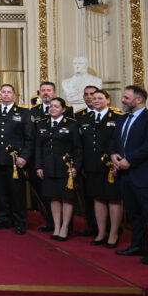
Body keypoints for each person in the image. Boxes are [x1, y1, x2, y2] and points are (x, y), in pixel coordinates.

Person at [110, 85, 148, 265]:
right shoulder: (122, 119)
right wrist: (113, 154)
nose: (122, 100)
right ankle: (138, 246)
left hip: (147, 174)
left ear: (139, 99)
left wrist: (130, 160)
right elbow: (114, 141)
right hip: (125, 174)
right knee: (134, 212)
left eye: (126, 98)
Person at [0, 84, 33, 235]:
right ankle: (1, 219)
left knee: (17, 193)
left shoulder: (23, 113)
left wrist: (24, 157)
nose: (5, 94)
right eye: (3, 92)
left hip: (15, 161)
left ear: (14, 96)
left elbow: (29, 138)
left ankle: (19, 222)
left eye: (8, 92)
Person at [80, 89, 123, 248]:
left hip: (111, 166)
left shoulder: (117, 117)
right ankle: (101, 232)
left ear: (108, 100)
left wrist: (117, 162)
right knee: (98, 198)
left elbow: (120, 142)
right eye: (93, 97)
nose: (95, 100)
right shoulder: (86, 118)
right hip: (92, 166)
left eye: (99, 98)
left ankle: (113, 233)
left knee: (113, 198)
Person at [35, 97, 82, 241]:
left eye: (56, 106)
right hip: (48, 166)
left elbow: (78, 149)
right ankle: (56, 226)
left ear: (63, 109)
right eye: (51, 106)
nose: (52, 109)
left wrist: (75, 167)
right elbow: (38, 148)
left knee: (67, 198)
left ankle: (65, 227)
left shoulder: (72, 125)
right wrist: (39, 166)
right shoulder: (42, 124)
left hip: (65, 168)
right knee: (53, 197)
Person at [29, 81, 73, 233]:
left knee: (65, 194)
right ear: (39, 93)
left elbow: (72, 139)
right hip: (43, 159)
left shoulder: (68, 110)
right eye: (43, 90)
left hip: (62, 161)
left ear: (54, 92)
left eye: (49, 90)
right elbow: (34, 139)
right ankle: (51, 222)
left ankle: (66, 225)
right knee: (47, 194)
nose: (46, 93)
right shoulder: (33, 111)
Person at [75, 84, 102, 237]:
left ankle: (107, 229)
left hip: (105, 165)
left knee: (105, 197)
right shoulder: (79, 116)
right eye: (86, 94)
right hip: (86, 165)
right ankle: (91, 226)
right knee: (88, 198)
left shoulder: (112, 115)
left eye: (92, 94)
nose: (89, 97)